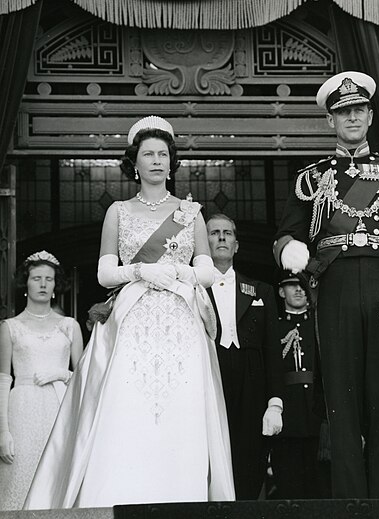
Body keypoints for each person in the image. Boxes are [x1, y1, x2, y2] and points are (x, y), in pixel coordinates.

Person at [24, 116, 234, 509]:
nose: (156, 161)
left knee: (180, 409)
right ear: (133, 163)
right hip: (132, 320)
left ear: (172, 163)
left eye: (163, 154)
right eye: (148, 154)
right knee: (125, 407)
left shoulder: (190, 213)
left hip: (179, 322)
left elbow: (206, 271)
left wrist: (176, 271)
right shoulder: (118, 211)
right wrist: (139, 269)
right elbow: (105, 273)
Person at [273, 71, 379, 499]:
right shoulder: (310, 178)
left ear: (371, 116)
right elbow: (286, 233)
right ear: (330, 122)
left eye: (358, 109)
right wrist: (291, 251)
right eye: (343, 112)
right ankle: (351, 506)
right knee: (341, 404)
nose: (352, 117)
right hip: (335, 290)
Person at [206, 213, 284, 500]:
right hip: (210, 379)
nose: (222, 237)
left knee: (249, 462)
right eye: (214, 233)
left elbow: (273, 351)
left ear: (237, 245)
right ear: (204, 242)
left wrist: (275, 402)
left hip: (252, 383)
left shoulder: (260, 290)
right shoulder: (190, 290)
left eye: (228, 233)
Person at [0, 251, 83, 511]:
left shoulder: (70, 326)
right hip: (21, 410)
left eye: (49, 279)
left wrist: (60, 373)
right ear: (26, 283)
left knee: (56, 479)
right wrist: (3, 431)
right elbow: (3, 379)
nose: (43, 284)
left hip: (59, 409)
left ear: (56, 285)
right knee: (18, 477)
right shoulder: (10, 326)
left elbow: (84, 379)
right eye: (37, 278)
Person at [268, 270, 330, 499]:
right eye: (292, 285)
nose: (298, 290)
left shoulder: (319, 325)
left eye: (303, 286)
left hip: (316, 414)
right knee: (289, 486)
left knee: (319, 486)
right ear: (281, 291)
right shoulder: (273, 326)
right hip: (287, 416)